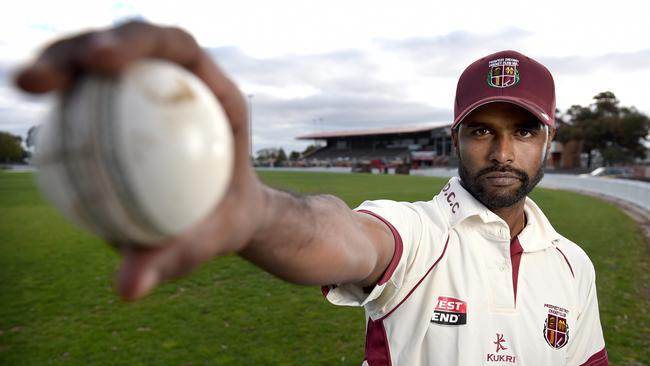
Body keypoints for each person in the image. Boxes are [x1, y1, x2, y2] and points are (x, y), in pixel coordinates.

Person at [16, 22, 608, 365]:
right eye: (482, 130)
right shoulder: (419, 231)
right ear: (456, 137)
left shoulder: (573, 266)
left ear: (548, 137)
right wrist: (257, 213)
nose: (502, 152)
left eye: (523, 130)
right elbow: (341, 233)